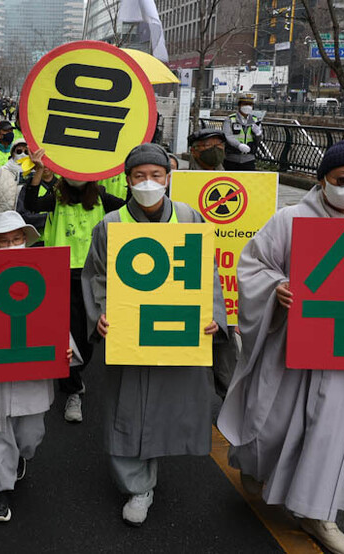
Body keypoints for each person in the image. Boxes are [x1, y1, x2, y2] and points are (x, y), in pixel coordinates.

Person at [217, 141, 344, 554]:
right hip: (293, 347)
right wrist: (277, 290)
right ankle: (254, 467)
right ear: (323, 178)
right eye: (343, 180)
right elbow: (253, 267)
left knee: (332, 436)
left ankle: (318, 513)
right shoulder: (288, 220)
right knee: (272, 423)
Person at [81, 143, 226, 526]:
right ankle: (136, 485)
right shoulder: (110, 224)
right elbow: (96, 275)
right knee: (127, 407)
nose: (148, 183)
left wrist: (214, 318)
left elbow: (206, 273)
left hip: (174, 330)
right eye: (140, 176)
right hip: (128, 334)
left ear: (168, 178)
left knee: (167, 405)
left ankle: (153, 466)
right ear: (127, 180)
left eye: (156, 175)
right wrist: (99, 316)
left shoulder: (189, 217)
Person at [0, 210, 78, 523]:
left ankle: (18, 459)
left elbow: (55, 322)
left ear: (26, 241)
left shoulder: (44, 280)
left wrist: (66, 350)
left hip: (31, 376)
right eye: (3, 242)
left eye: (17, 240)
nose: (10, 246)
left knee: (30, 435)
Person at [23, 148, 125, 423]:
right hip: (60, 272)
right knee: (64, 332)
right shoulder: (56, 196)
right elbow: (31, 203)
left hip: (94, 275)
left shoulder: (102, 196)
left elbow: (130, 207)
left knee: (88, 334)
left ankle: (75, 374)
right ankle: (73, 389)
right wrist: (38, 171)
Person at [188, 128, 240, 398]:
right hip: (188, 287)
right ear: (194, 151)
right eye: (206, 144)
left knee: (225, 363)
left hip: (224, 290)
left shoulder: (244, 186)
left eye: (218, 143)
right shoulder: (179, 187)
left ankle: (231, 417)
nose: (213, 148)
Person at [0, 139, 31, 230]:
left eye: (26, 152)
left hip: (28, 223)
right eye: (19, 151)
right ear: (13, 153)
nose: (23, 154)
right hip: (4, 222)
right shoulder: (2, 171)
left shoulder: (35, 173)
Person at [223, 94, 263, 171]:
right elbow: (227, 135)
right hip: (232, 158)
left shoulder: (255, 120)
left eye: (250, 105)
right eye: (245, 104)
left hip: (249, 159)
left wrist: (258, 134)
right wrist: (239, 145)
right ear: (239, 105)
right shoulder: (230, 119)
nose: (247, 106)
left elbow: (259, 140)